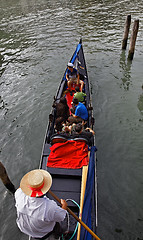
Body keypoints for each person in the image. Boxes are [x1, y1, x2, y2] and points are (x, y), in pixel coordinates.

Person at [15, 169, 67, 239]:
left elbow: (20, 188)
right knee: (56, 226)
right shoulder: (50, 207)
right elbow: (61, 216)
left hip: (25, 228)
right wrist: (64, 205)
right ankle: (58, 234)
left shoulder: (19, 193)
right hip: (43, 232)